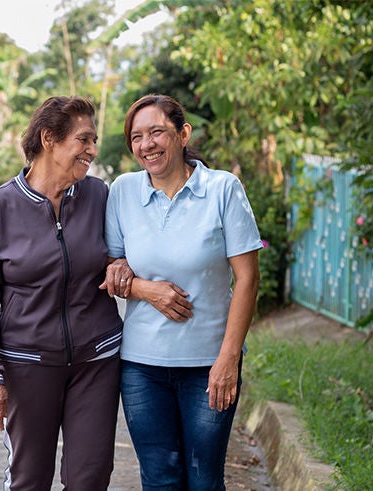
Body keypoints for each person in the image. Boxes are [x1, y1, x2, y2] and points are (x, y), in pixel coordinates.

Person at [101, 94, 262, 490]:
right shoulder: (122, 192)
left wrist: (228, 359)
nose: (147, 145)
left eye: (157, 132)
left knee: (204, 479)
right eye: (137, 137)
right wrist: (145, 288)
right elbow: (111, 268)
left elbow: (248, 278)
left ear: (182, 134)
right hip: (141, 367)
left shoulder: (223, 189)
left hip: (209, 364)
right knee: (159, 478)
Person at [0, 96, 125, 490]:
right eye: (83, 140)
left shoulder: (100, 196)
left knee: (89, 479)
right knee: (29, 479)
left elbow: (128, 251)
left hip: (95, 362)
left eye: (94, 140)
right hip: (27, 364)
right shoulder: (1, 206)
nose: (92, 150)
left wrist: (123, 264)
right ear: (49, 139)